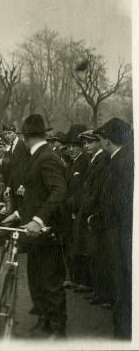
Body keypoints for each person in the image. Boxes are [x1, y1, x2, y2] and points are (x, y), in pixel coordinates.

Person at [2, 114, 68, 338]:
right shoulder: (36, 155)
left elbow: (58, 191)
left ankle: (58, 332)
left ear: (26, 137)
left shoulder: (46, 157)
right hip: (35, 232)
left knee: (50, 282)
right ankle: (44, 322)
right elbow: (36, 195)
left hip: (48, 233)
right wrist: (19, 214)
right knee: (37, 279)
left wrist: (38, 220)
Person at [93, 118, 133, 339]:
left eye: (100, 140)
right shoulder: (123, 160)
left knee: (121, 289)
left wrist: (96, 221)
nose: (99, 144)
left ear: (108, 141)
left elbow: (116, 203)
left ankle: (123, 336)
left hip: (118, 236)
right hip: (119, 234)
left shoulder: (120, 164)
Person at [76, 129, 111, 310]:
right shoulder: (94, 159)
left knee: (99, 254)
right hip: (89, 210)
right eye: (85, 143)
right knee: (93, 253)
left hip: (96, 212)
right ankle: (98, 290)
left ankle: (104, 293)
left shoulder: (102, 160)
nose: (86, 145)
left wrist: (90, 211)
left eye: (90, 142)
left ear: (99, 142)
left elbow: (97, 189)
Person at [61, 124, 90, 291]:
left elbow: (82, 189)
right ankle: (74, 278)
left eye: (75, 146)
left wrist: (71, 206)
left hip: (78, 210)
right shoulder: (73, 163)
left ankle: (83, 281)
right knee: (71, 244)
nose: (71, 149)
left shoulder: (84, 161)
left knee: (79, 245)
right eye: (69, 146)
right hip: (70, 209)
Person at [1, 124, 30, 213]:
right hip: (14, 184)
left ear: (15, 133)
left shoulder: (22, 145)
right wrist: (9, 186)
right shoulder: (10, 148)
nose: (7, 136)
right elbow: (12, 170)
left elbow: (26, 166)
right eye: (5, 134)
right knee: (15, 210)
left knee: (22, 210)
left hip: (22, 185)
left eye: (9, 133)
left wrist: (22, 184)